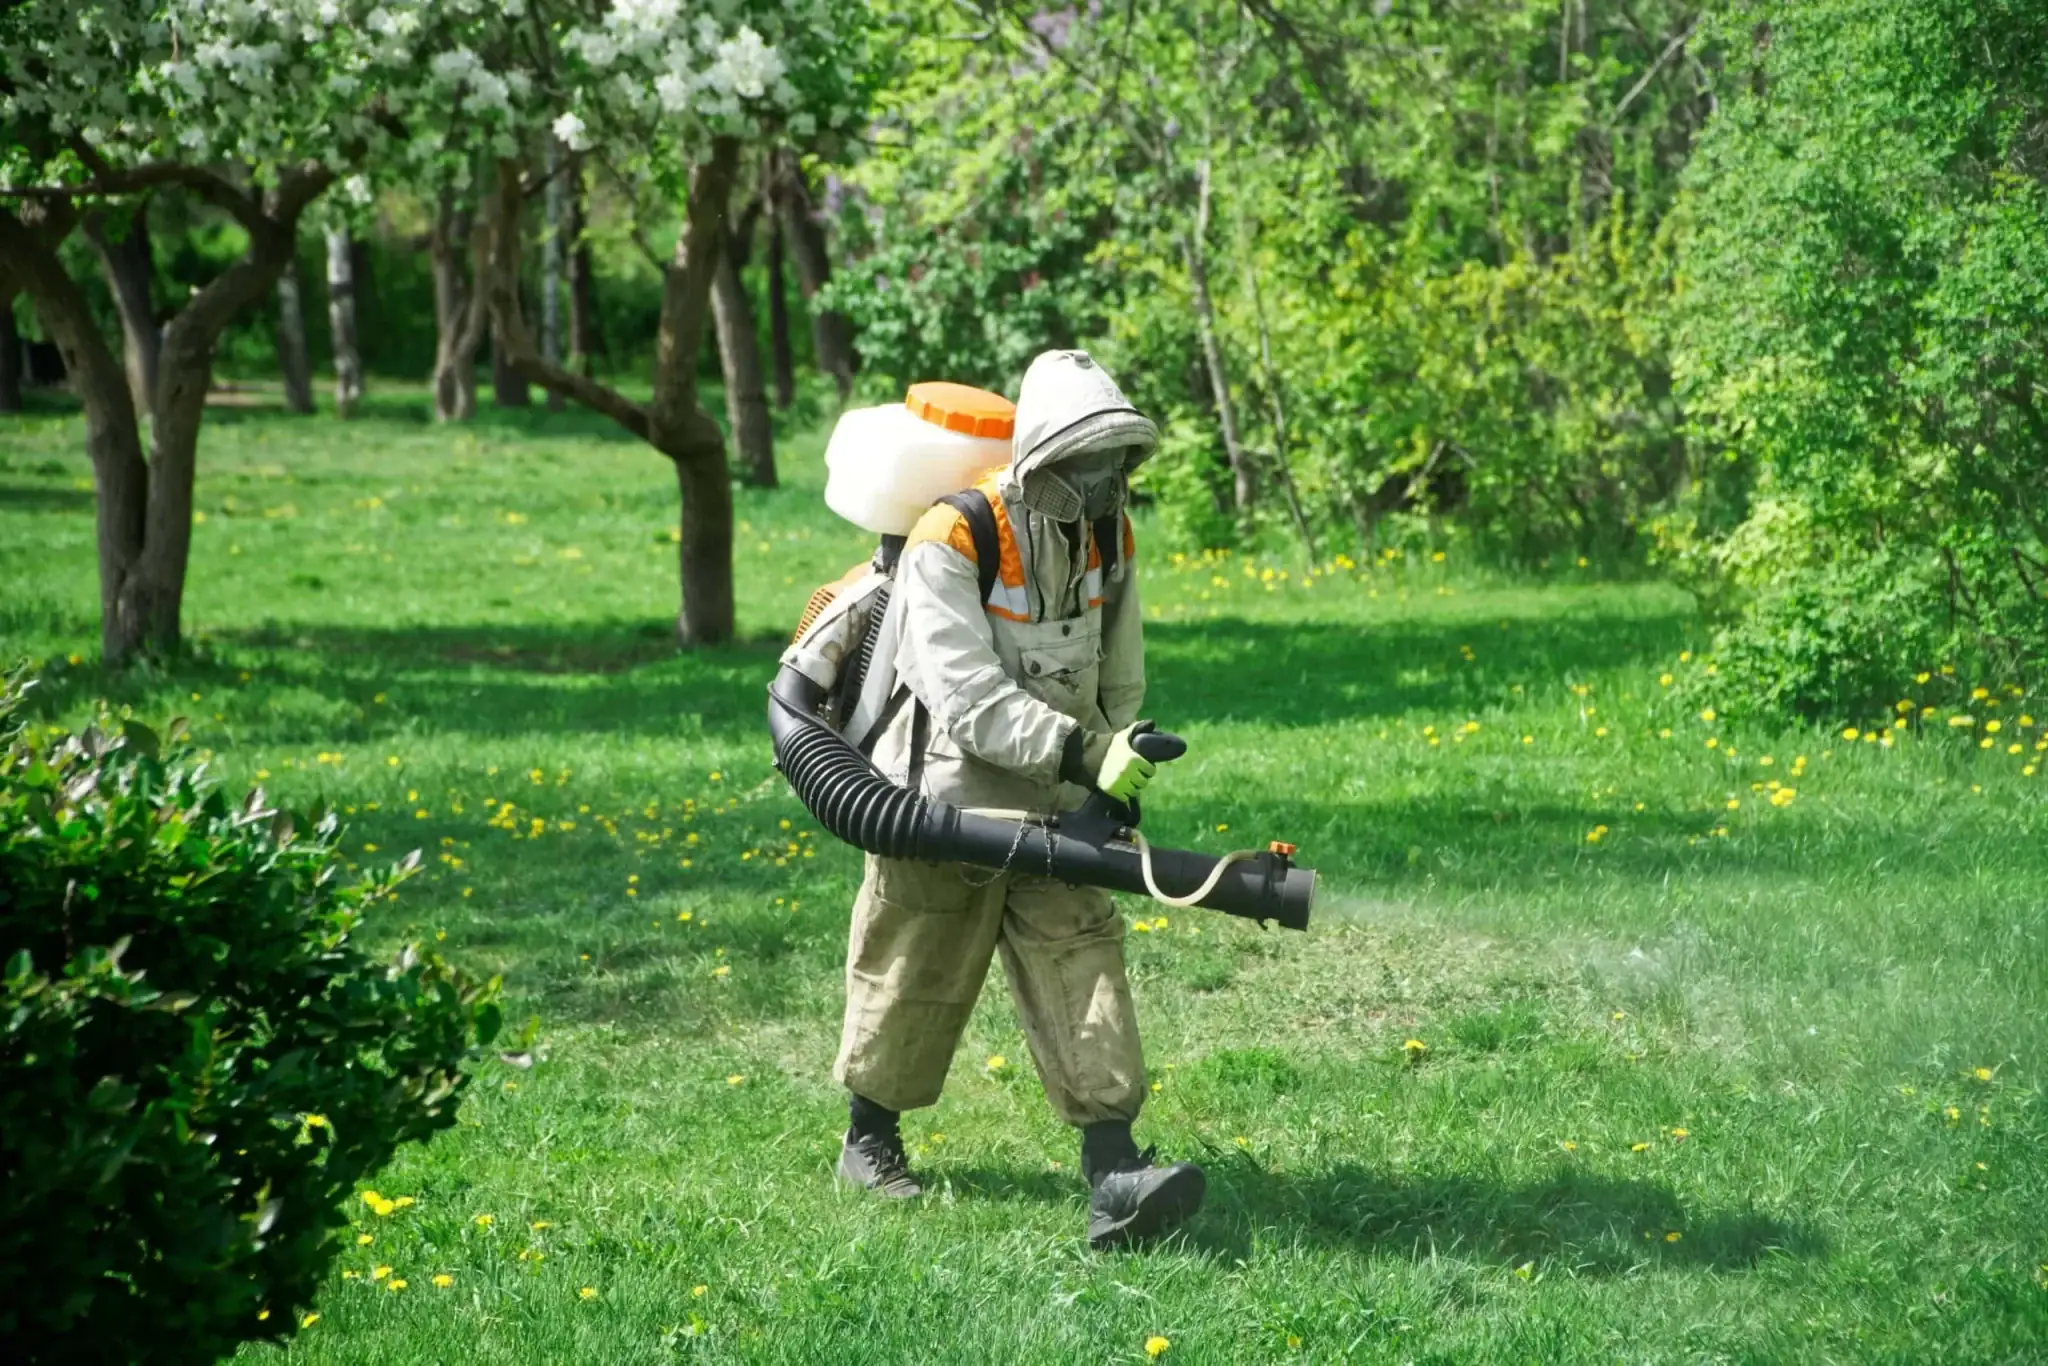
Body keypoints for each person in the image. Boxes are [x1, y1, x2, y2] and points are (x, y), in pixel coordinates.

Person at [830, 349, 1204, 1249]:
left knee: (1082, 956)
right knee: (918, 963)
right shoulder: (951, 538)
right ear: (1041, 458)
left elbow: (1118, 664)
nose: (1104, 484)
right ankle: (868, 1141)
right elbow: (965, 697)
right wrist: (1082, 751)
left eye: (1115, 465)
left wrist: (1117, 755)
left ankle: (1116, 1171)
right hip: (944, 794)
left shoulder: (1109, 535)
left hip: (1060, 785)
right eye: (1088, 465)